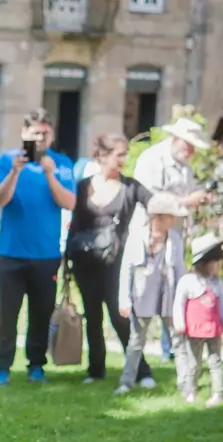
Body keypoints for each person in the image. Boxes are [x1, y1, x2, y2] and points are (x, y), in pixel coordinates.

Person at [0, 109, 76, 385]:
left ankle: (36, 365)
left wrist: (50, 175)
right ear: (24, 134)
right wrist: (15, 172)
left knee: (40, 315)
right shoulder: (7, 161)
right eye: (35, 133)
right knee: (7, 313)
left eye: (45, 133)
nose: (40, 138)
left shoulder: (61, 163)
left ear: (51, 135)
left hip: (46, 255)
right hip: (12, 253)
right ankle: (2, 365)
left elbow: (70, 203)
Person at [67, 133, 156, 386]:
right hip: (85, 262)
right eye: (119, 154)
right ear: (103, 156)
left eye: (125, 154)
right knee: (92, 317)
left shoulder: (130, 186)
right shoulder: (83, 186)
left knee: (120, 317)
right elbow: (74, 223)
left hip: (116, 264)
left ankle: (141, 371)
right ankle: (95, 371)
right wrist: (67, 258)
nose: (123, 160)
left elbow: (154, 202)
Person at [131, 117, 213, 363]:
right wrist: (189, 201)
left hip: (174, 235)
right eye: (189, 146)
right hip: (150, 237)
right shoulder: (152, 160)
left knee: (173, 290)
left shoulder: (185, 165)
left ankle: (173, 350)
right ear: (176, 139)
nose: (192, 152)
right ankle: (137, 353)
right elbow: (152, 201)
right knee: (145, 292)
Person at [115, 192, 188, 396]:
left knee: (178, 340)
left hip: (168, 295)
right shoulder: (137, 236)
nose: (174, 221)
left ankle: (185, 384)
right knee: (136, 341)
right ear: (159, 217)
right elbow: (126, 270)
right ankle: (127, 382)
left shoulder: (174, 239)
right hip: (142, 295)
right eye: (170, 216)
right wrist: (124, 300)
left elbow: (180, 270)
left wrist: (183, 301)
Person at [172, 233, 223, 407]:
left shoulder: (217, 282)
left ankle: (218, 393)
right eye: (215, 262)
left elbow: (222, 305)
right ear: (204, 262)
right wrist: (179, 322)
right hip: (194, 331)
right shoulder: (187, 281)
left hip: (213, 330)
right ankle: (190, 390)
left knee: (216, 361)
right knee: (194, 363)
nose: (218, 266)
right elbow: (179, 303)